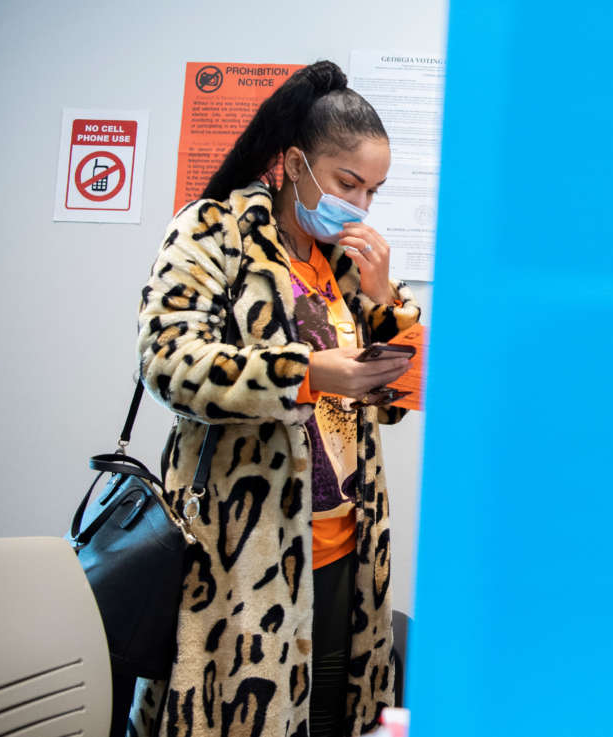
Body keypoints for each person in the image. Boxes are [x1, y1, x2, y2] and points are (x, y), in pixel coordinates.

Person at [128, 60, 420, 737]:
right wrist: (309, 374)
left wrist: (386, 300)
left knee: (327, 719)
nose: (361, 206)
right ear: (294, 163)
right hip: (240, 557)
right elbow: (169, 360)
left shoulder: (346, 263)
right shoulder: (212, 231)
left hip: (347, 550)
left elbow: (398, 399)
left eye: (375, 191)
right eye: (348, 183)